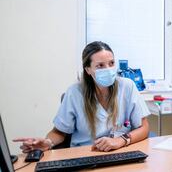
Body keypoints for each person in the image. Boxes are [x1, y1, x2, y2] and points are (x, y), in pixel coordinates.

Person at [14, 41, 150, 152]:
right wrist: (48, 143)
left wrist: (120, 141)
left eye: (111, 63)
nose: (108, 69)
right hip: (85, 154)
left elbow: (144, 127)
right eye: (100, 66)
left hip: (121, 152)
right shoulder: (74, 93)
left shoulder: (127, 86)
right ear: (88, 70)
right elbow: (59, 132)